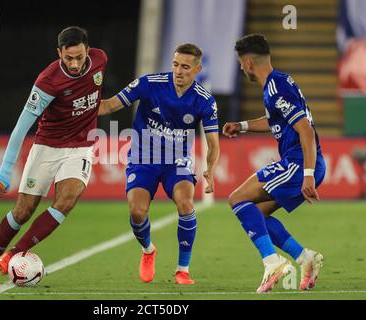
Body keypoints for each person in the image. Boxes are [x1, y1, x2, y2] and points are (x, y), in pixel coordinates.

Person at [0, 26, 108, 286]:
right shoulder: (48, 81)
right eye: (68, 58)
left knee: (67, 200)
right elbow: (21, 126)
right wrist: (5, 172)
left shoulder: (100, 59)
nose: (74, 64)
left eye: (79, 57)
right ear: (58, 52)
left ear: (88, 50)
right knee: (23, 211)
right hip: (47, 147)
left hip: (80, 146)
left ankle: (13, 255)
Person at [98, 43, 220, 285]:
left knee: (186, 204)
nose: (179, 71)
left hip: (177, 161)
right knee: (137, 211)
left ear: (197, 69)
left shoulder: (204, 100)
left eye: (185, 67)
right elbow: (109, 105)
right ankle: (148, 250)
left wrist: (211, 169)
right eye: (175, 64)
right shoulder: (149, 83)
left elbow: (213, 143)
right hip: (143, 158)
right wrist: (78, 106)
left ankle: (182, 270)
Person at [223, 34, 326, 293]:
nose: (240, 68)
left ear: (247, 63)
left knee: (237, 199)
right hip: (299, 163)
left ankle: (272, 263)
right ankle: (305, 258)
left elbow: (305, 130)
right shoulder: (276, 84)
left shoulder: (275, 87)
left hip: (298, 163)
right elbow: (275, 121)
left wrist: (308, 174)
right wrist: (243, 126)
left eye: (239, 63)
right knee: (256, 216)